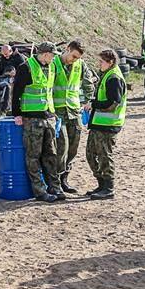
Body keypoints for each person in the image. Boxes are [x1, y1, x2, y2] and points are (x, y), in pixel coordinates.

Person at [12, 42, 62, 202]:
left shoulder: (51, 67)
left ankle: (55, 187)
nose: (54, 58)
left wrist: (54, 114)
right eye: (52, 55)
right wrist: (17, 114)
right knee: (33, 155)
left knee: (51, 154)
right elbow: (16, 92)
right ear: (46, 54)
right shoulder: (26, 67)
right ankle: (40, 191)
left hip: (48, 116)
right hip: (32, 118)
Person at [52, 40, 96, 194]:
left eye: (77, 57)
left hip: (74, 111)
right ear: (67, 49)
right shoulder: (53, 63)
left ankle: (64, 178)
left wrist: (88, 100)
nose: (74, 59)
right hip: (57, 112)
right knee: (61, 147)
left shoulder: (80, 65)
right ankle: (55, 181)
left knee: (73, 147)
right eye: (73, 56)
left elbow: (88, 83)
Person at [84, 49, 127, 200]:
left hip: (108, 124)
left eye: (101, 61)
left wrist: (93, 104)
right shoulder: (108, 74)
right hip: (99, 123)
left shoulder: (114, 78)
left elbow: (112, 103)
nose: (99, 64)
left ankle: (108, 187)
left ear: (110, 62)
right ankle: (101, 184)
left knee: (104, 156)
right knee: (90, 154)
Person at [0, 45, 26, 116]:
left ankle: (5, 109)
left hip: (15, 78)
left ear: (10, 51)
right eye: (3, 54)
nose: (5, 56)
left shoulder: (19, 57)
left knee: (8, 87)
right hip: (4, 77)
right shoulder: (4, 57)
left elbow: (24, 71)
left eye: (6, 54)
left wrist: (16, 73)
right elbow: (0, 70)